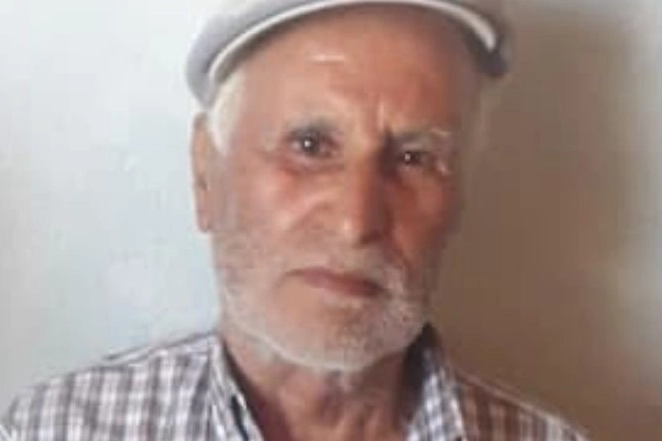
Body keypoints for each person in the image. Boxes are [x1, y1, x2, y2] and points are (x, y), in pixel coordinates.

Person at [1, 0, 590, 440]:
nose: (356, 222)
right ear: (206, 175)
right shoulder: (57, 430)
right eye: (310, 145)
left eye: (414, 159)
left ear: (458, 198)